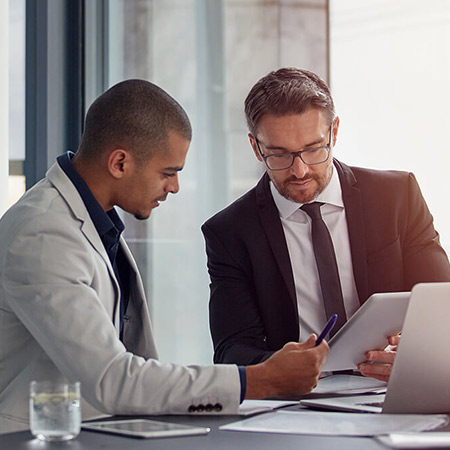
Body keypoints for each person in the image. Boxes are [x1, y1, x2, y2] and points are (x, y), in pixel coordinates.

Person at [0, 79, 329, 433]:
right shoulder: (43, 232)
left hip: (97, 434)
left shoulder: (94, 223)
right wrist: (259, 380)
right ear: (120, 162)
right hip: (37, 438)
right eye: (168, 173)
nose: (174, 187)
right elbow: (112, 379)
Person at [202, 68, 450, 381]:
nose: (300, 170)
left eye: (313, 149)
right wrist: (278, 367)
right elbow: (232, 349)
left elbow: (443, 304)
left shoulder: (397, 196)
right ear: (256, 147)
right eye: (279, 155)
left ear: (334, 132)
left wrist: (414, 351)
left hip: (395, 388)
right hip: (297, 402)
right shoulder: (230, 232)